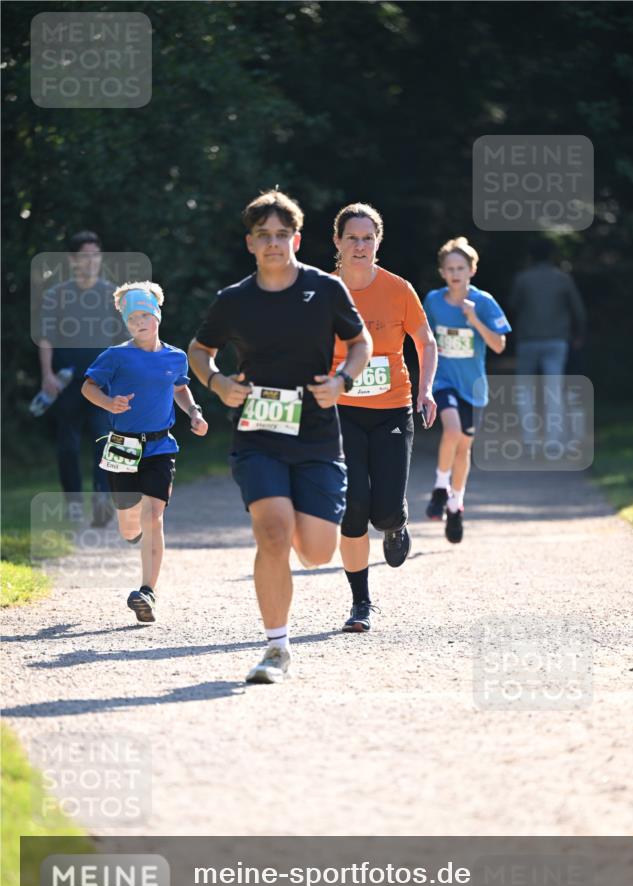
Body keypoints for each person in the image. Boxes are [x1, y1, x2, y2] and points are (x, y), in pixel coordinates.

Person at [188, 190, 372, 684]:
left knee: (316, 552)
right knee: (272, 532)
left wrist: (342, 381)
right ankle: (276, 648)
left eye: (282, 234)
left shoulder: (325, 289)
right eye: (263, 235)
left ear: (297, 239)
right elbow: (199, 350)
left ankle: (291, 520)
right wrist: (218, 383)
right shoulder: (234, 300)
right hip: (258, 432)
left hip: (316, 434)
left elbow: (360, 343)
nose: (273, 243)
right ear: (250, 243)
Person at [329, 202, 437, 633]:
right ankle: (361, 603)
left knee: (385, 511)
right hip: (340, 412)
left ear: (378, 242)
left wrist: (425, 390)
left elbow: (425, 341)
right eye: (352, 238)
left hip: (392, 407)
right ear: (337, 242)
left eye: (368, 238)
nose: (360, 246)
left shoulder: (398, 289)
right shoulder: (323, 291)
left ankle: (396, 524)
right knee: (353, 508)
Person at [82, 281, 208, 623]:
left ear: (157, 316)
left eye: (145, 315)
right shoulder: (115, 356)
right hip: (122, 446)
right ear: (126, 322)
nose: (140, 322)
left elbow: (180, 388)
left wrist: (194, 413)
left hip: (160, 446)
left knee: (153, 515)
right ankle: (133, 530)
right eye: (133, 318)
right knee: (129, 527)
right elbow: (88, 387)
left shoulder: (175, 357)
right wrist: (109, 402)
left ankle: (147, 592)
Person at [423, 237, 511, 543]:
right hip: (443, 380)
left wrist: (474, 319)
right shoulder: (433, 301)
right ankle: (440, 487)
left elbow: (499, 345)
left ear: (472, 270)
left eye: (461, 268)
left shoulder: (483, 302)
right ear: (442, 272)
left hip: (473, 387)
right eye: (450, 269)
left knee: (463, 448)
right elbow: (424, 338)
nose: (455, 273)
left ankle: (455, 504)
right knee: (452, 430)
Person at [39, 230, 125, 526]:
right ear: (72, 260)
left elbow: (122, 340)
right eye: (84, 256)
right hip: (66, 384)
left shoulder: (112, 295)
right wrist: (47, 375)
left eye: (95, 256)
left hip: (103, 385)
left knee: (104, 440)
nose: (91, 262)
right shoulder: (56, 295)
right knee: (68, 445)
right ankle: (73, 503)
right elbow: (46, 338)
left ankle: (102, 497)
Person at [508, 237, 586, 444]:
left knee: (525, 390)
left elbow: (513, 306)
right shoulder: (563, 279)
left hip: (527, 340)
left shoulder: (523, 279)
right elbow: (578, 310)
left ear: (531, 256)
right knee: (554, 390)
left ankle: (529, 438)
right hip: (557, 341)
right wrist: (579, 335)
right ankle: (554, 439)